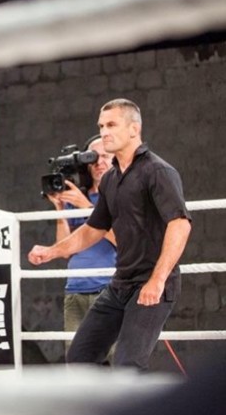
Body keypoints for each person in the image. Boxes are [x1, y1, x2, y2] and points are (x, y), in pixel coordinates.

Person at [28, 98, 191, 370]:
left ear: (134, 129)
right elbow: (94, 228)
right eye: (101, 126)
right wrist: (52, 251)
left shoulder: (158, 171)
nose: (104, 132)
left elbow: (180, 224)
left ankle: (140, 400)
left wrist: (157, 280)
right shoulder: (111, 180)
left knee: (127, 366)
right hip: (120, 283)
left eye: (112, 125)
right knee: (79, 357)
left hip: (152, 282)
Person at [44, 136, 116, 353]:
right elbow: (65, 249)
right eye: (92, 158)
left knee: (116, 358)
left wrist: (87, 207)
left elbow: (122, 239)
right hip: (75, 287)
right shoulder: (76, 198)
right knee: (77, 359)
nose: (99, 162)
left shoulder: (120, 196)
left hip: (109, 287)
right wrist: (60, 209)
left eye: (105, 156)